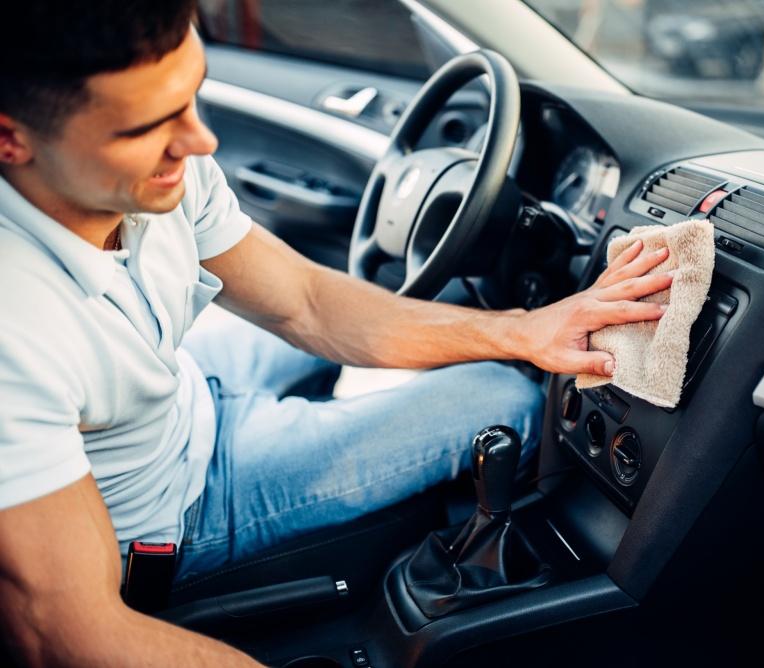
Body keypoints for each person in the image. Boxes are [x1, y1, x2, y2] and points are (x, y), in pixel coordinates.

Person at [0, 2, 673, 665]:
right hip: (178, 507)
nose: (200, 140)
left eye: (191, 97)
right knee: (509, 399)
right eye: (146, 126)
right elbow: (67, 631)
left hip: (181, 387)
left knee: (471, 342)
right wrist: (510, 352)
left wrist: (529, 328)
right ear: (11, 139)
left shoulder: (156, 174)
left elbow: (307, 303)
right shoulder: (15, 329)